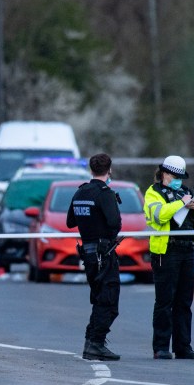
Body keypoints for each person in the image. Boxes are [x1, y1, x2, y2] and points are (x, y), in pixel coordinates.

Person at [144, 155, 194, 360]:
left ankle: (183, 347)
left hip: (187, 250)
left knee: (184, 301)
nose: (178, 180)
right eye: (174, 176)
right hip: (166, 252)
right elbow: (158, 215)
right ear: (164, 173)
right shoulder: (153, 193)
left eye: (181, 176)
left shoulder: (186, 192)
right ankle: (161, 347)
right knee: (164, 301)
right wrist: (180, 204)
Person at [66, 153, 122, 361]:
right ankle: (95, 344)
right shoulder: (104, 193)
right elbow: (115, 223)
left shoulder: (81, 192)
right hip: (103, 254)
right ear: (109, 170)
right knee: (108, 302)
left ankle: (92, 342)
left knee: (100, 299)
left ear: (91, 170)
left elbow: (70, 222)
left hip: (88, 255)